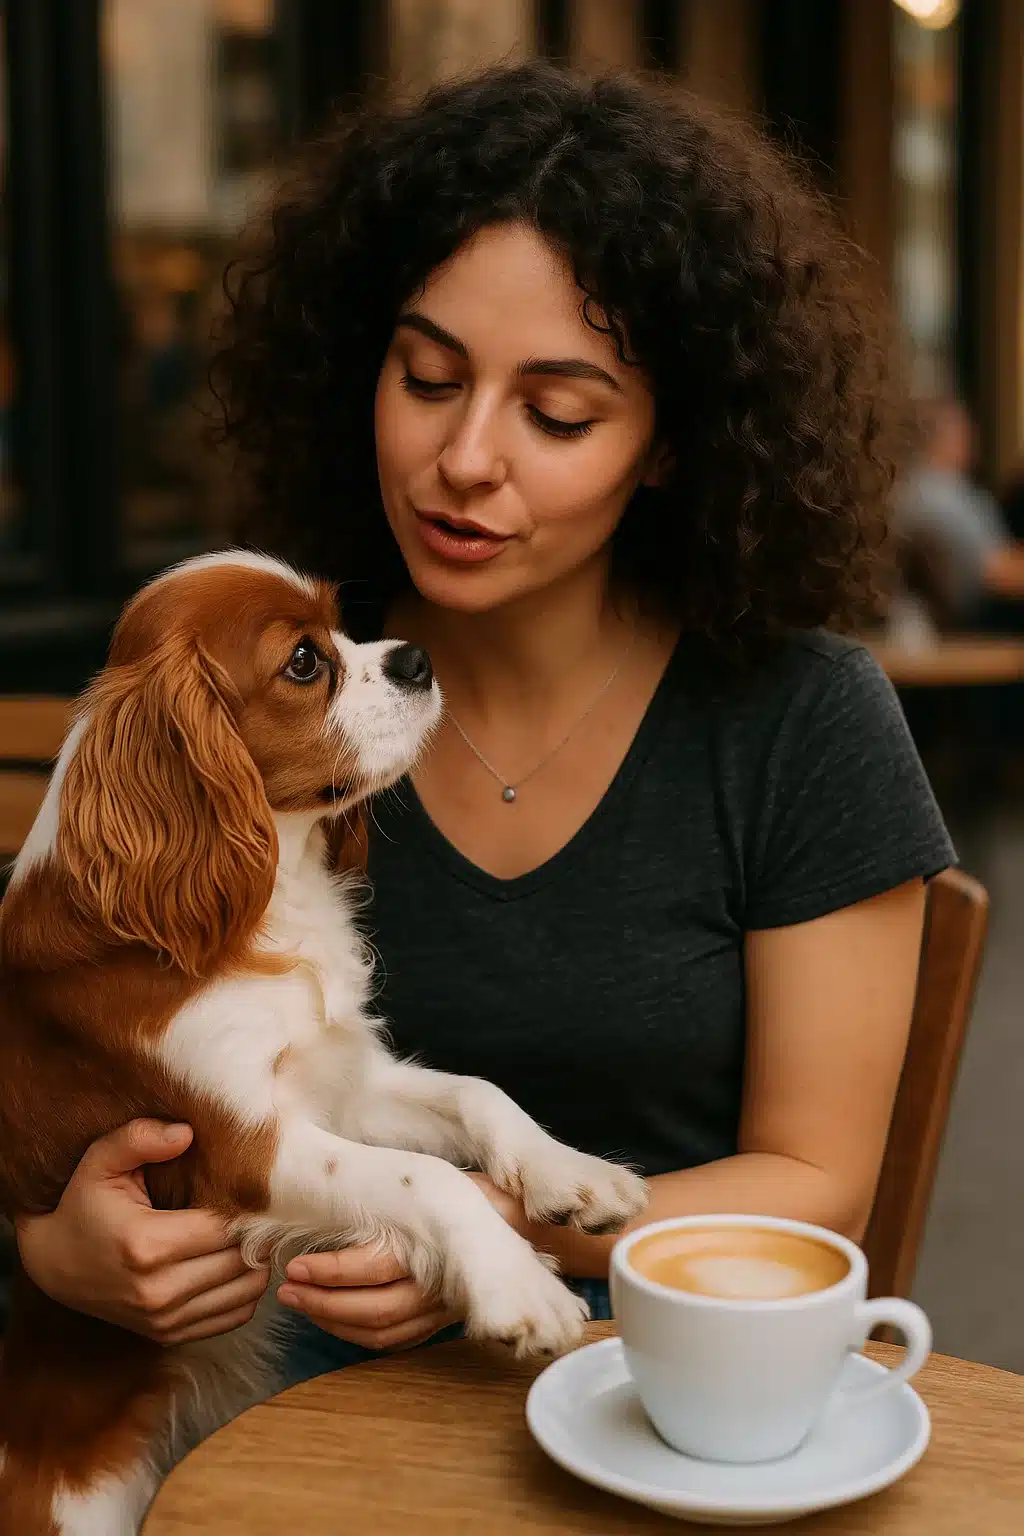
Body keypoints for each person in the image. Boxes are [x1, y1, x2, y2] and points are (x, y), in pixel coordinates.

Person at [14, 62, 953, 1390]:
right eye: (428, 378)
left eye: (557, 412)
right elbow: (55, 1048)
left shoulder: (798, 721)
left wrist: (489, 1231)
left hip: (656, 1404)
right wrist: (55, 1250)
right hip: (276, 1430)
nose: (467, 459)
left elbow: (815, 1185)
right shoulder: (261, 692)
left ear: (673, 443)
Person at [898, 398, 1024, 623]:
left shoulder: (914, 488)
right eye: (963, 429)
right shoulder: (941, 496)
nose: (972, 436)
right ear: (943, 436)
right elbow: (999, 572)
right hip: (974, 621)